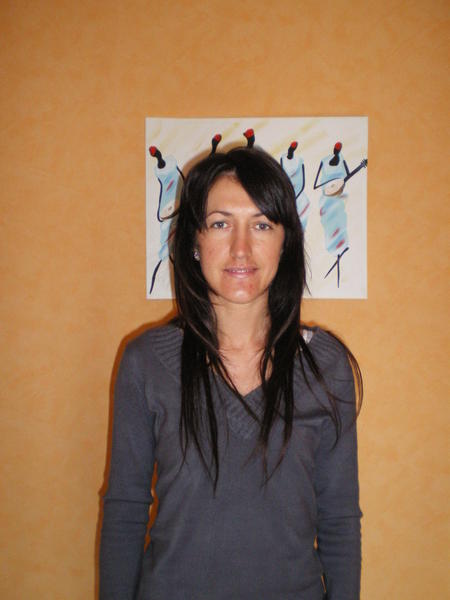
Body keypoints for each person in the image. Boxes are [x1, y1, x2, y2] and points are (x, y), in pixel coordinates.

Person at [99, 146, 363, 600]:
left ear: (285, 242)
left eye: (262, 225)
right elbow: (125, 511)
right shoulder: (145, 362)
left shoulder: (327, 365)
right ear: (194, 242)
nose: (241, 248)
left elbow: (339, 521)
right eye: (221, 224)